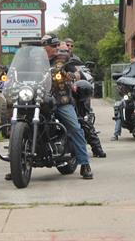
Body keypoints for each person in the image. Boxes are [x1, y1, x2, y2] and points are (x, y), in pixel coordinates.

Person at [42, 34, 94, 178]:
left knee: (75, 128)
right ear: (44, 46)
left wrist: (69, 76)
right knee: (19, 122)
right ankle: (16, 163)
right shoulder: (35, 60)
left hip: (60, 100)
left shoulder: (63, 58)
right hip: (39, 100)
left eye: (57, 45)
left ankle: (85, 164)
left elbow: (78, 73)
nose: (56, 48)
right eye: (53, 46)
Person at [63, 39, 106, 157]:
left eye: (71, 46)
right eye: (66, 45)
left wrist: (73, 76)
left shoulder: (71, 59)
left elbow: (79, 73)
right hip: (51, 95)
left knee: (81, 119)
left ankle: (96, 148)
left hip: (69, 94)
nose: (69, 48)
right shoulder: (48, 60)